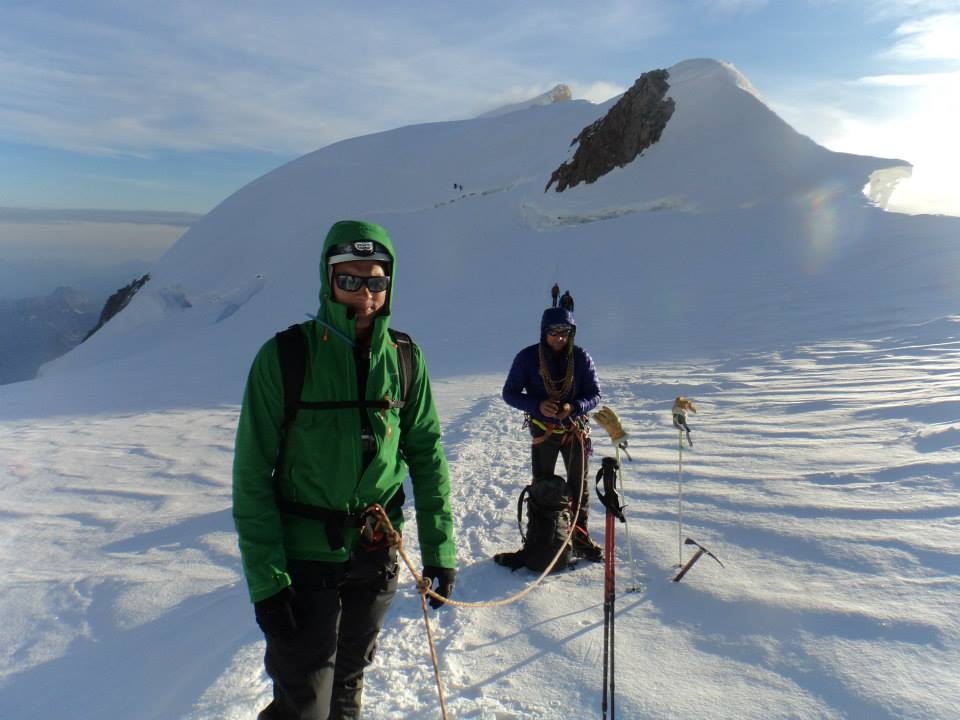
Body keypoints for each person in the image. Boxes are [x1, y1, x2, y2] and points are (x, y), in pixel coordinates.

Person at [233, 219, 457, 720]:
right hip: (303, 562)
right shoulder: (285, 357)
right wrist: (268, 583)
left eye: (376, 281)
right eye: (350, 279)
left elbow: (426, 454)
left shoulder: (404, 358)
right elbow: (251, 476)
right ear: (328, 279)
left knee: (347, 689)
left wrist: (440, 549)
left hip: (376, 551)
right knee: (305, 701)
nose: (365, 294)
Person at [500, 299, 603, 560]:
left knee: (579, 487)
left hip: (574, 431)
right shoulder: (527, 358)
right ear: (544, 331)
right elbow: (509, 393)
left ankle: (579, 537)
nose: (558, 338)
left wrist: (573, 406)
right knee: (542, 486)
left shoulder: (580, 358)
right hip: (543, 430)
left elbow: (594, 394)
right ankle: (540, 538)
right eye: (554, 332)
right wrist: (537, 405)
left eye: (564, 333)